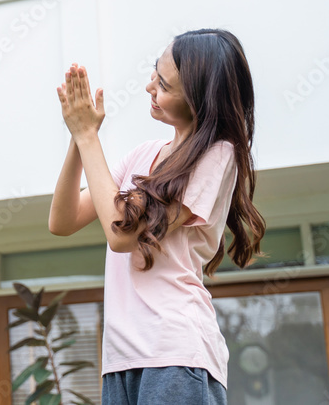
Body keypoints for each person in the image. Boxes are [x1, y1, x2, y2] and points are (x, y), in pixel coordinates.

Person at [48, 30, 266, 404]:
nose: (150, 86)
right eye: (155, 73)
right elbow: (63, 221)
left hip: (175, 351)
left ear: (198, 100)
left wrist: (89, 138)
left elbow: (121, 235)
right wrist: (77, 135)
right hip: (121, 357)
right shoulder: (143, 155)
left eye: (164, 84)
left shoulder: (218, 155)